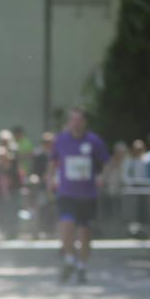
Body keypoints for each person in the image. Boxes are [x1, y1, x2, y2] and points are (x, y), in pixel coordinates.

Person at [48, 107, 109, 283]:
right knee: (66, 225)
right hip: (66, 192)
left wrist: (101, 177)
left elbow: (105, 162)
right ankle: (69, 259)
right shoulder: (61, 140)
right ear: (69, 122)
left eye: (79, 120)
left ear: (84, 122)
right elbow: (53, 161)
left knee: (84, 232)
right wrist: (50, 178)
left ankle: (81, 266)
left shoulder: (94, 141)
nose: (76, 123)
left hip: (88, 194)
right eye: (73, 120)